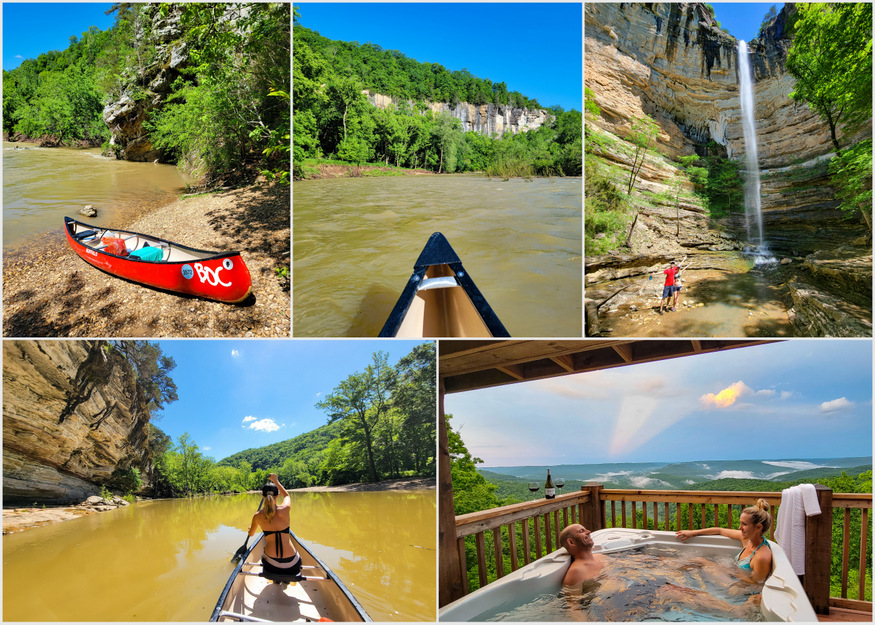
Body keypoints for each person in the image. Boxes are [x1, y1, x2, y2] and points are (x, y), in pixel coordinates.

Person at [675, 499, 773, 582]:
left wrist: (729, 571)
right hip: (731, 576)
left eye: (744, 524)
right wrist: (692, 533)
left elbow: (756, 584)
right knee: (697, 563)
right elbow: (720, 530)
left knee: (700, 562)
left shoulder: (761, 557)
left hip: (735, 584)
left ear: (758, 527)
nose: (739, 527)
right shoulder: (747, 540)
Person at [247, 473, 301, 578]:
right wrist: (276, 481)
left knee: (266, 555)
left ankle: (276, 579)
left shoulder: (257, 516)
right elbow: (287, 496)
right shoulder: (285, 509)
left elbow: (251, 534)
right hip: (292, 564)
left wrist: (250, 530)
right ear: (277, 495)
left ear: (262, 496)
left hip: (271, 565)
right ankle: (287, 579)